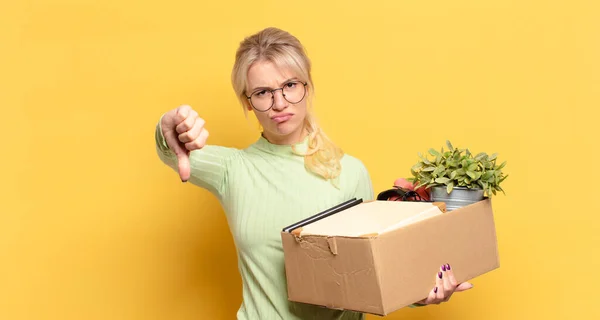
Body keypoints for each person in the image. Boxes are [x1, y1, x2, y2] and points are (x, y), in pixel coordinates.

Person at [154, 27, 473, 320]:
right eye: (263, 92)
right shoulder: (232, 170)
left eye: (289, 85)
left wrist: (424, 290)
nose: (279, 103)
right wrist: (169, 124)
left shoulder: (350, 172)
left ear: (307, 87)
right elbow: (171, 149)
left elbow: (375, 271)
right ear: (247, 102)